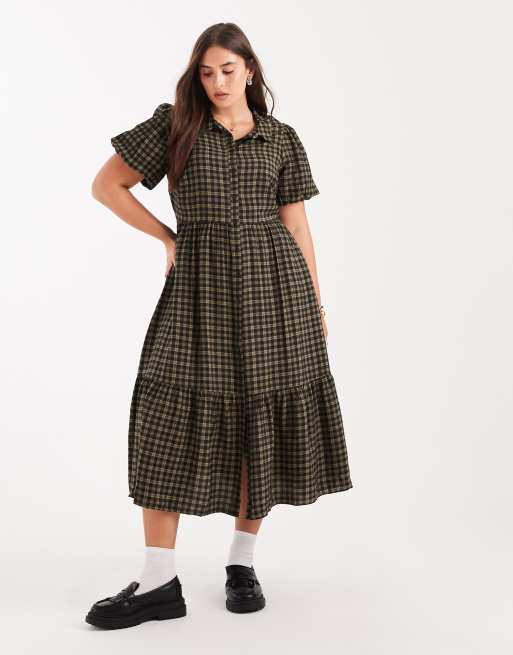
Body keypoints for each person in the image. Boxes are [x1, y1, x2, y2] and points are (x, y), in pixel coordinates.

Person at [85, 22, 353, 629]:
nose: (217, 83)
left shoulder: (281, 138)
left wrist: (315, 305)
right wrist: (168, 237)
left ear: (249, 70)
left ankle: (242, 563)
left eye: (228, 71)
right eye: (206, 73)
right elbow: (107, 186)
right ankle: (159, 580)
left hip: (274, 294)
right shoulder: (175, 125)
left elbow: (296, 224)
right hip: (198, 291)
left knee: (259, 421)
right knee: (165, 418)